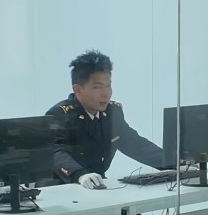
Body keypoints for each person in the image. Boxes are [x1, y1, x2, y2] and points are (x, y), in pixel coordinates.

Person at [48, 49, 167, 188]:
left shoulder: (112, 112)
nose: (106, 93)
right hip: (62, 187)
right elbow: (55, 152)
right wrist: (80, 175)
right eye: (97, 87)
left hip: (98, 186)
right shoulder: (60, 115)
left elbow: (136, 145)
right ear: (78, 90)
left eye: (108, 85)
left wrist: (175, 163)